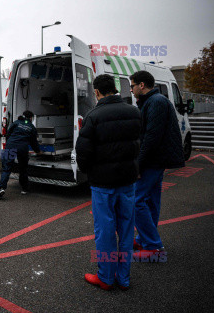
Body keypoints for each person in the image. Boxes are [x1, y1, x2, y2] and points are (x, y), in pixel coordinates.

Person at [76, 74, 141, 290]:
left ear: (96, 92)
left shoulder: (93, 115)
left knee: (105, 230)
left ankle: (105, 277)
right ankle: (123, 278)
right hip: (128, 180)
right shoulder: (134, 111)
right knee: (126, 228)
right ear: (114, 88)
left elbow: (83, 151)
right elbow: (138, 143)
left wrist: (88, 172)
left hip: (103, 184)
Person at [129, 71, 185, 260]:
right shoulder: (153, 101)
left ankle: (153, 246)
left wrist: (138, 164)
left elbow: (151, 137)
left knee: (137, 200)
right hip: (156, 159)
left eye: (132, 85)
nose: (131, 89)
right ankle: (145, 240)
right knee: (151, 200)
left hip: (153, 160)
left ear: (142, 85)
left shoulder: (156, 102)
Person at [0, 110, 41, 198]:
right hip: (22, 148)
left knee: (6, 168)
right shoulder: (31, 127)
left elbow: (8, 134)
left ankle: (2, 188)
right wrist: (38, 151)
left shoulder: (16, 123)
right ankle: (24, 189)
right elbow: (34, 142)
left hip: (11, 146)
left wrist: (10, 144)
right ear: (30, 118)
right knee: (23, 169)